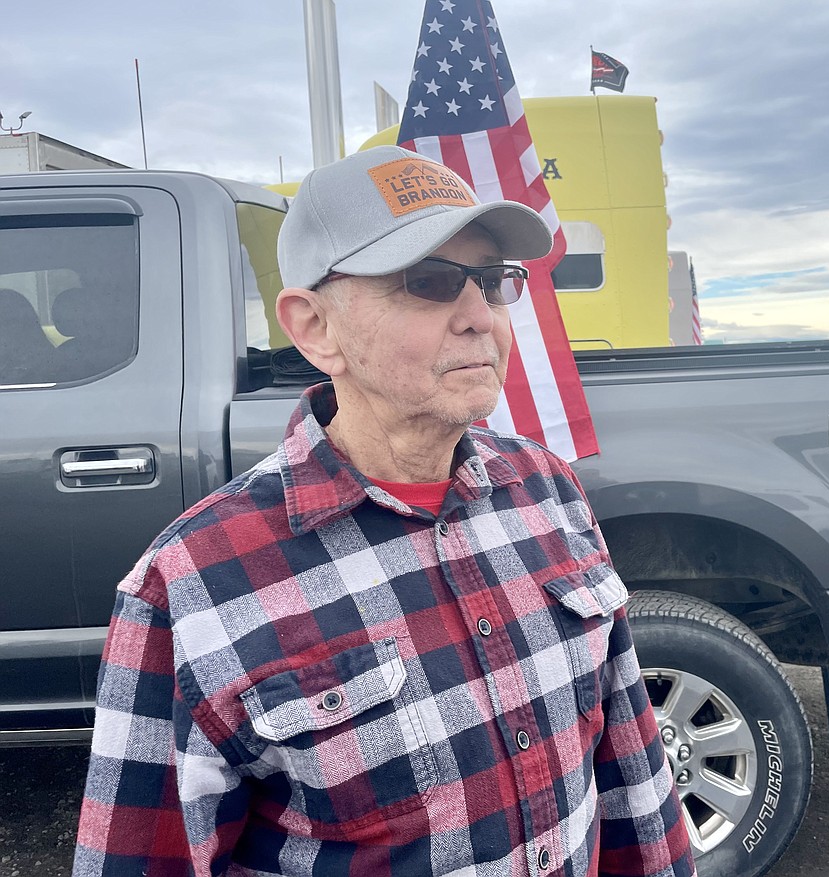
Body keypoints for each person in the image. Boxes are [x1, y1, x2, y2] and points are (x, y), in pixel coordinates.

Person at [74, 145, 696, 877]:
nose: (480, 319)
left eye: (493, 282)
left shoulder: (549, 492)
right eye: (430, 282)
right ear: (315, 328)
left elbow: (633, 778)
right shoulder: (189, 585)